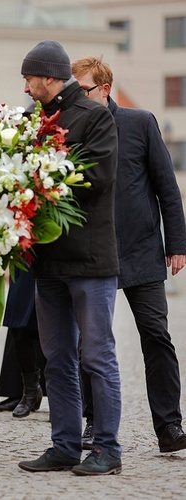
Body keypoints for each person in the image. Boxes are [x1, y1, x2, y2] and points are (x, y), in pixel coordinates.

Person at [16, 40, 122, 476]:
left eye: (29, 78)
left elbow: (96, 178)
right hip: (48, 262)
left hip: (90, 261)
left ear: (49, 77)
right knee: (56, 357)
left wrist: (38, 171)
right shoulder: (28, 121)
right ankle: (63, 445)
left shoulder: (96, 116)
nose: (25, 86)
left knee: (96, 356)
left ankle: (108, 448)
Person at [72, 55, 186, 453]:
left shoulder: (140, 123)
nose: (76, 98)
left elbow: (166, 187)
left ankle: (170, 426)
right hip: (91, 255)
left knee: (156, 336)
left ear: (105, 89)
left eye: (82, 90)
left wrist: (177, 244)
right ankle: (92, 423)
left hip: (140, 252)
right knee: (90, 342)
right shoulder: (70, 129)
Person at [0, 268, 47, 417]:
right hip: (25, 261)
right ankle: (31, 390)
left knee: (53, 330)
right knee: (18, 327)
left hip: (56, 263)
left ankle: (59, 398)